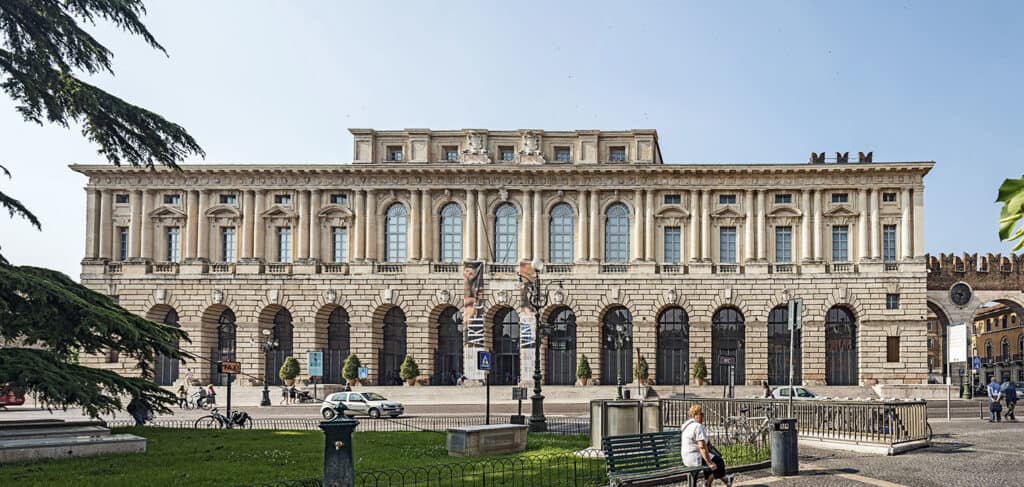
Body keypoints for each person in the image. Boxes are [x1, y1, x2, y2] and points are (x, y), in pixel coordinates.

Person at [681, 404, 734, 487]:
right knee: (719, 462)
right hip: (695, 457)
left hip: (687, 458)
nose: (703, 416)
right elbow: (702, 446)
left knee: (711, 459)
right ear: (695, 415)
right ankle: (708, 483)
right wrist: (709, 463)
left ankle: (724, 480)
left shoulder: (687, 425)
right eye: (701, 414)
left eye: (703, 414)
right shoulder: (697, 426)